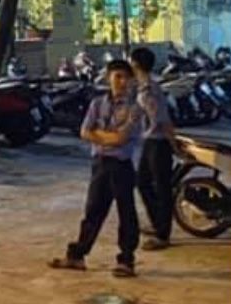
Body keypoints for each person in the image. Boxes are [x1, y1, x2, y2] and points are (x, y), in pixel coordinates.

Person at [51, 59, 148, 277]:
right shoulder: (97, 104)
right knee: (93, 211)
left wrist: (100, 135)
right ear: (108, 78)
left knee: (126, 213)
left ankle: (126, 260)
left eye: (126, 77)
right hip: (100, 164)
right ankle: (77, 255)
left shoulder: (135, 109)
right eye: (117, 76)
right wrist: (108, 137)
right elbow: (84, 132)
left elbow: (121, 139)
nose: (122, 82)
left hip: (121, 166)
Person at [130, 47, 179, 250]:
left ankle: (162, 234)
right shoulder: (144, 87)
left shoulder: (150, 89)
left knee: (161, 187)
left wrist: (174, 144)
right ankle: (157, 222)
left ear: (135, 64)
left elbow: (162, 120)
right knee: (143, 182)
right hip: (151, 141)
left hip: (158, 142)